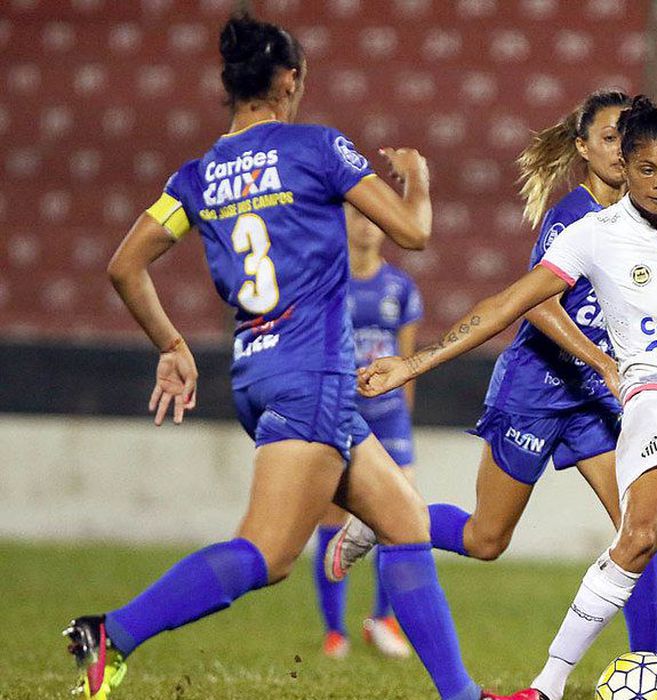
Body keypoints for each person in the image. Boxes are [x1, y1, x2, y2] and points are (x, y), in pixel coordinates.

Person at [61, 13, 524, 700]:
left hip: (258, 373)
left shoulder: (197, 177)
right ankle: (113, 633)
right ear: (287, 81)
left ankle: (460, 694)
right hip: (314, 375)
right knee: (270, 554)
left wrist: (172, 344)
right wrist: (417, 180)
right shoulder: (315, 148)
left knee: (402, 520)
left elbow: (125, 266)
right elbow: (413, 234)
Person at [353, 96, 657, 700]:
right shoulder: (589, 233)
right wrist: (414, 362)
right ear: (616, 158)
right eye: (644, 166)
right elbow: (510, 305)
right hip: (603, 398)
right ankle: (544, 680)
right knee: (531, 538)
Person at [410, 89, 657, 654]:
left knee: (640, 532)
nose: (620, 150)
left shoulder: (646, 220)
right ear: (583, 147)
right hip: (535, 389)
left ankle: (650, 668)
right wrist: (604, 361)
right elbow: (538, 304)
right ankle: (385, 518)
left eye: (628, 137)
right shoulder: (571, 216)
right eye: (608, 138)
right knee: (485, 539)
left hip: (593, 401)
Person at [313, 203, 422, 660]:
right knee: (331, 518)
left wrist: (405, 416)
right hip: (340, 412)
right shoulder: (327, 282)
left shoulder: (401, 287)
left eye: (374, 219)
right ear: (344, 223)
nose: (367, 226)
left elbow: (408, 362)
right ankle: (334, 631)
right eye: (358, 217)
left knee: (402, 514)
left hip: (390, 417)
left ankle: (382, 619)